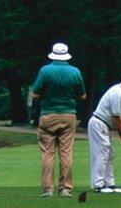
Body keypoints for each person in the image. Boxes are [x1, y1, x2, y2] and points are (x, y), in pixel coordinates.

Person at [31, 42, 86, 197]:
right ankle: (65, 188)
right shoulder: (75, 72)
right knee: (66, 152)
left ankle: (48, 189)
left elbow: (35, 94)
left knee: (48, 153)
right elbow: (82, 95)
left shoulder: (45, 70)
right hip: (69, 115)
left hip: (48, 114)